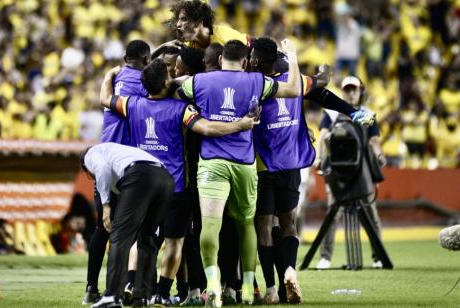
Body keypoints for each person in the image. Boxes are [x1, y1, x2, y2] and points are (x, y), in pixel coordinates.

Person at [99, 59, 258, 306]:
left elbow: (105, 99)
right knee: (175, 242)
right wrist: (240, 124)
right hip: (175, 187)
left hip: (143, 185)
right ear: (165, 82)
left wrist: (109, 76)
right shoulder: (181, 109)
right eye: (169, 75)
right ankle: (162, 293)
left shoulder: (132, 104)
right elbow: (207, 129)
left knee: (143, 237)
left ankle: (131, 283)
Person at [248, 38, 376, 304]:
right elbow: (322, 93)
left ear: (258, 61)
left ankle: (272, 289)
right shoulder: (294, 80)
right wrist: (352, 112)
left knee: (263, 224)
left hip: (262, 166)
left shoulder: (253, 84)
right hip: (292, 163)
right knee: (287, 223)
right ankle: (290, 271)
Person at [177, 39, 301, 307]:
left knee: (210, 224)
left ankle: (212, 282)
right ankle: (246, 286)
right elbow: (293, 90)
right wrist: (291, 54)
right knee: (246, 223)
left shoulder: (199, 82)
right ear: (245, 62)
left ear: (220, 59)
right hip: (245, 163)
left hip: (212, 162)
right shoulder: (256, 81)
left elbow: (174, 89)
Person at [82, 40, 151, 306]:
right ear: (146, 60)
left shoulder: (113, 81)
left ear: (124, 57)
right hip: (132, 164)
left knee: (102, 228)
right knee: (131, 231)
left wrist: (108, 75)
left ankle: (91, 287)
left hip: (106, 160)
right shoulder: (146, 83)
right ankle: (129, 285)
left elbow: (105, 98)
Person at [82, 143, 174, 308]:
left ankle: (111, 296)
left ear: (86, 168)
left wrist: (106, 206)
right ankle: (143, 296)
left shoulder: (92, 154)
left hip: (139, 175)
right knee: (147, 239)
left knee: (119, 237)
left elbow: (101, 169)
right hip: (165, 178)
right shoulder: (119, 154)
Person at [314, 76, 386, 270]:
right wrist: (320, 159)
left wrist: (379, 156)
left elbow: (374, 140)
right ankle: (325, 257)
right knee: (333, 213)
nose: (350, 93)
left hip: (362, 168)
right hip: (337, 170)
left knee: (370, 213)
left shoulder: (368, 114)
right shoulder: (331, 112)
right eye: (347, 90)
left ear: (361, 91)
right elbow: (322, 137)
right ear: (343, 91)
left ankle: (378, 256)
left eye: (354, 90)